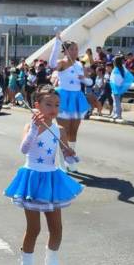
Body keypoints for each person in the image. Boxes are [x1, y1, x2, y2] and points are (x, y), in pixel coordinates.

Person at [4, 85, 83, 265]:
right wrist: (33, 130)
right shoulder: (30, 126)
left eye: (56, 105)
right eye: (48, 104)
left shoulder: (60, 130)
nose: (53, 108)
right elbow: (24, 149)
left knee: (57, 228)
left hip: (52, 177)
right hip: (33, 178)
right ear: (37, 105)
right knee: (34, 228)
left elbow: (66, 157)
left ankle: (51, 264)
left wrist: (71, 155)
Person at [49, 33, 91, 172]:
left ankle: (71, 162)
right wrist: (56, 42)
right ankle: (62, 163)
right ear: (66, 50)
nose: (74, 51)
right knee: (63, 132)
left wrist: (84, 78)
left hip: (77, 98)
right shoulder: (62, 63)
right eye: (72, 49)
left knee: (73, 131)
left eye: (76, 49)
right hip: (64, 98)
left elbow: (86, 81)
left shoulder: (79, 64)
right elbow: (51, 64)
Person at [109, 55, 134, 120]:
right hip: (119, 88)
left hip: (116, 88)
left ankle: (118, 115)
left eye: (114, 61)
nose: (113, 62)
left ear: (116, 62)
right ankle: (115, 114)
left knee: (117, 102)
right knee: (116, 102)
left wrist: (116, 85)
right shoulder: (122, 68)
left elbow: (115, 79)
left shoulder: (117, 69)